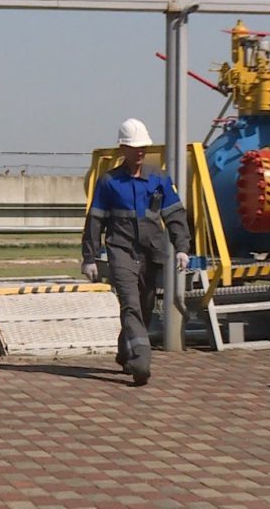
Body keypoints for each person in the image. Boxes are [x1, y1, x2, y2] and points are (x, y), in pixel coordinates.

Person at [81, 118, 191, 386]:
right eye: (134, 147)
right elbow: (95, 220)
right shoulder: (109, 182)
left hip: (152, 253)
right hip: (121, 251)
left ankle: (125, 351)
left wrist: (182, 248)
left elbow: (175, 215)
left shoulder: (160, 179)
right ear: (123, 149)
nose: (140, 151)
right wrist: (89, 257)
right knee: (130, 304)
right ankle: (142, 360)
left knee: (143, 307)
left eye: (143, 146)